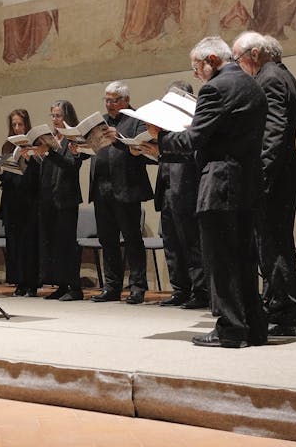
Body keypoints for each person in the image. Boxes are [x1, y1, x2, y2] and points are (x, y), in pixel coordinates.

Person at [147, 36, 268, 348]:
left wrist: (158, 140)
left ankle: (230, 329)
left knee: (222, 261)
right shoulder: (252, 84)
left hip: (220, 184)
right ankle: (253, 327)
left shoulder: (215, 88)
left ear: (212, 59)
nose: (196, 74)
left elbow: (193, 140)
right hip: (247, 184)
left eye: (196, 67)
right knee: (243, 259)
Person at [233, 31, 296, 336]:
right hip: (281, 176)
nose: (237, 66)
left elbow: (274, 132)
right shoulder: (280, 74)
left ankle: (286, 315)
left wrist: (260, 177)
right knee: (274, 247)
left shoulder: (271, 79)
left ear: (253, 54)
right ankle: (278, 306)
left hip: (274, 179)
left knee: (274, 248)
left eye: (237, 59)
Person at [139, 81, 206, 309]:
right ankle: (180, 289)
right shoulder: (165, 128)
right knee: (172, 243)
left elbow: (194, 155)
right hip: (166, 190)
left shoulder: (191, 124)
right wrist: (156, 152)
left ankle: (200, 291)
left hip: (186, 190)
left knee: (192, 244)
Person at [89, 81, 155, 305]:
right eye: (106, 100)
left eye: (114, 100)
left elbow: (145, 151)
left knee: (132, 239)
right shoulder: (102, 122)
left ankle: (137, 287)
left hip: (126, 188)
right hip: (102, 188)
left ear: (125, 100)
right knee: (107, 240)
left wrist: (119, 139)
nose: (109, 104)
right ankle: (112, 286)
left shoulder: (136, 119)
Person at [36, 100, 86, 301]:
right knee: (54, 244)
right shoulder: (52, 138)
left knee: (67, 244)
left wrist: (49, 152)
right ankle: (61, 284)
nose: (55, 119)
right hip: (49, 197)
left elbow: (72, 165)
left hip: (66, 198)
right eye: (53, 116)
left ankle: (75, 287)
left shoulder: (73, 137)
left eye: (58, 116)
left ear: (67, 117)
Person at [0, 109, 41, 296]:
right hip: (11, 201)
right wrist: (0, 170)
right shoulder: (7, 146)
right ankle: (19, 282)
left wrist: (30, 160)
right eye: (14, 125)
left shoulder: (35, 145)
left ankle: (31, 283)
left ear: (26, 125)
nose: (17, 128)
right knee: (13, 244)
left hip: (29, 202)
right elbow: (5, 177)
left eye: (20, 124)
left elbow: (38, 176)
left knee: (29, 244)